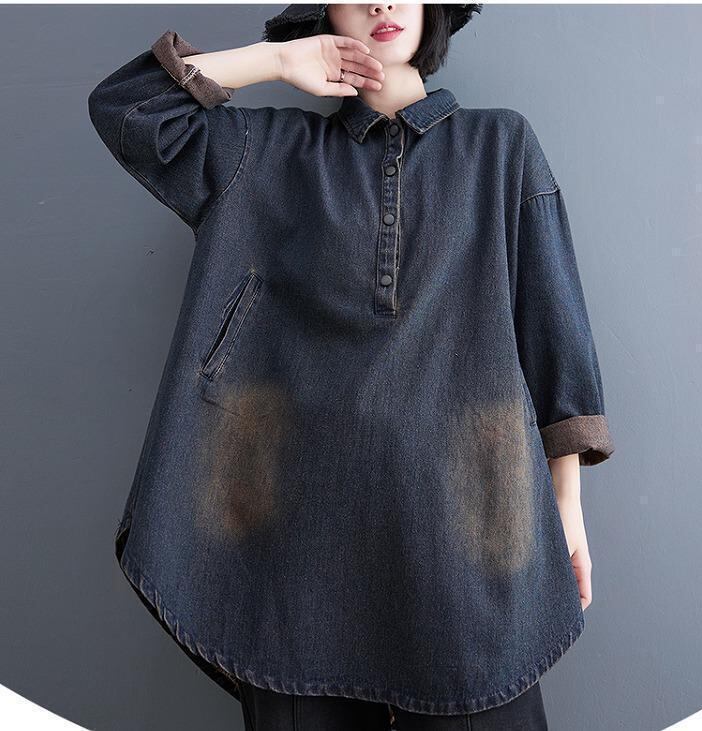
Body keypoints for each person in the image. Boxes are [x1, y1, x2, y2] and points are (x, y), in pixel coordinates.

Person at [88, 4, 614, 730]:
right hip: (290, 557)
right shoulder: (264, 151)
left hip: (467, 539)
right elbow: (128, 108)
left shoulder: (501, 146)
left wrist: (567, 504)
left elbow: (552, 328)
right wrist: (278, 62)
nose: (381, 4)